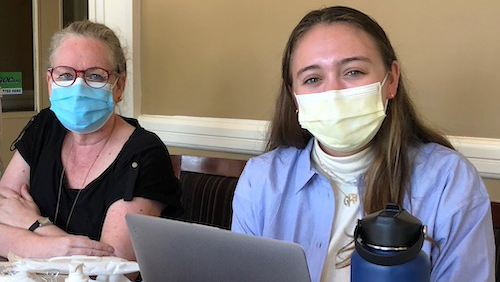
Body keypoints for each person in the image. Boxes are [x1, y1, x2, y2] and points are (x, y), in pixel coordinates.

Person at [231, 6, 494, 282]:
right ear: (295, 97)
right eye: (313, 79)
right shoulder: (261, 180)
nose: (333, 92)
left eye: (354, 72)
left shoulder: (449, 182)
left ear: (390, 80)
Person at [0, 20, 181, 261]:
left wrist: (35, 225)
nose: (78, 87)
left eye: (95, 76)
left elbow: (111, 267)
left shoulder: (143, 154)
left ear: (120, 86)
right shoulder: (45, 126)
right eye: (65, 74)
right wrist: (57, 247)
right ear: (50, 83)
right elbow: (3, 210)